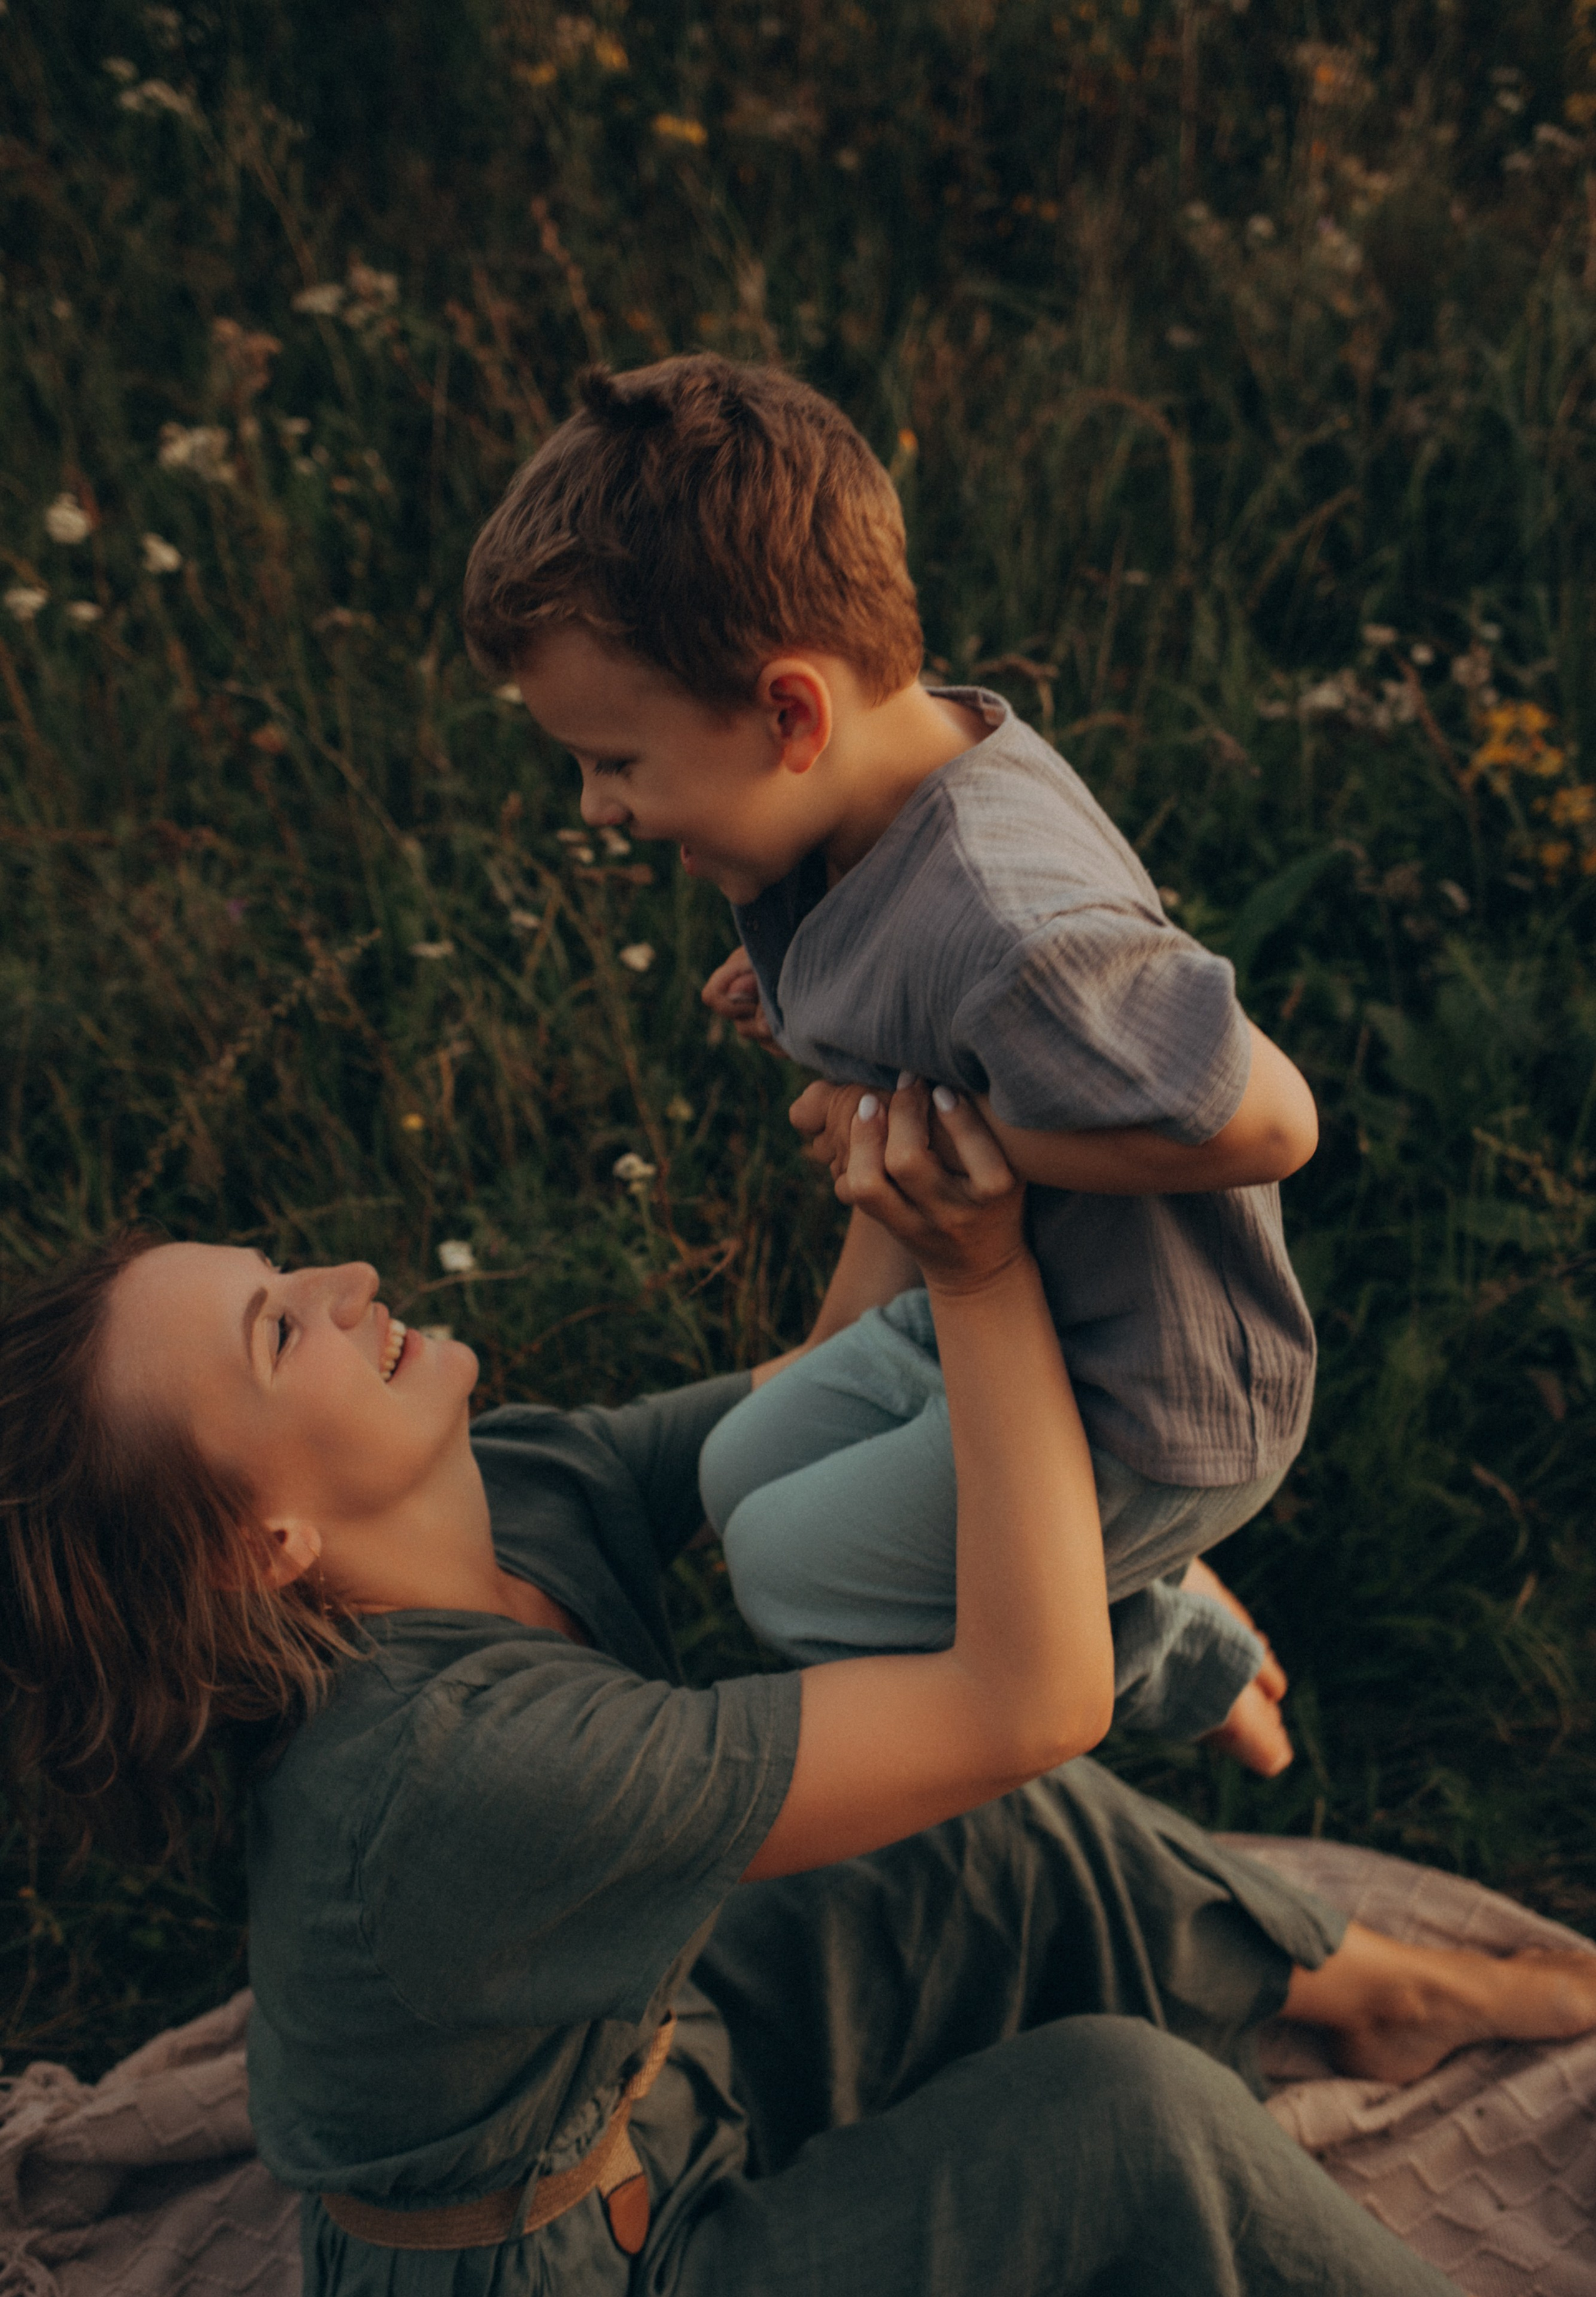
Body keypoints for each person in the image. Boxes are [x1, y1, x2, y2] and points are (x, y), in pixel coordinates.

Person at [3, 1086, 1596, 2297]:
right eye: (281, 1334)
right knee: (1124, 2122)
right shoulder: (446, 1772)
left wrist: (890, 1146)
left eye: (283, 1273)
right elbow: (1022, 1701)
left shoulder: (508, 1495)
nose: (344, 1287)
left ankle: (1383, 1992)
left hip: (628, 2088)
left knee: (964, 1836)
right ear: (260, 1543)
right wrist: (977, 1281)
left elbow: (808, 1397)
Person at [461, 351, 1317, 1776]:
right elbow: (908, 982)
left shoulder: (1016, 921)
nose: (600, 809)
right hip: (1019, 1309)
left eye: (614, 763)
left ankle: (1148, 1632)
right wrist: (817, 997)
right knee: (737, 1471)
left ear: (791, 715)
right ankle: (1126, 1590)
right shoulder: (850, 798)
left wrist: (921, 1121)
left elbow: (1273, 1121)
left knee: (796, 1577)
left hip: (1141, 1398)